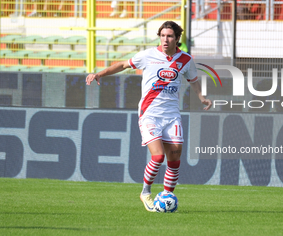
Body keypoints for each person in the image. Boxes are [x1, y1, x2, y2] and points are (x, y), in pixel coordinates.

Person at [86, 21, 212, 212]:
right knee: (158, 156)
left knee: (175, 157)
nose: (165, 40)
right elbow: (122, 64)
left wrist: (202, 98)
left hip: (172, 115)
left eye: (169, 36)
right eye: (162, 35)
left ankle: (167, 197)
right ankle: (145, 192)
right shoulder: (148, 55)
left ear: (177, 38)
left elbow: (193, 80)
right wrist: (100, 74)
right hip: (150, 114)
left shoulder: (185, 60)